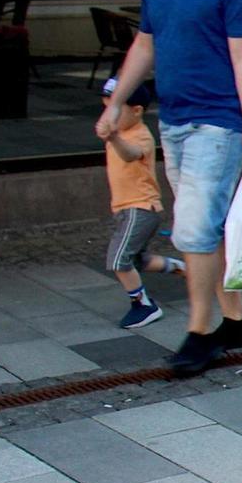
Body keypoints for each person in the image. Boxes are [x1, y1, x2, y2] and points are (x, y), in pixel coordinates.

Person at [96, 0, 242, 378]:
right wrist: (117, 102)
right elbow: (144, 46)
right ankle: (236, 321)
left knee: (192, 229)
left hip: (218, 124)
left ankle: (201, 333)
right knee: (206, 228)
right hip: (173, 122)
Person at [97, 76, 185, 329]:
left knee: (118, 260)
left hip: (141, 208)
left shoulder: (139, 135)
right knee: (138, 260)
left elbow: (130, 154)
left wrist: (113, 137)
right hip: (129, 208)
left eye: (115, 109)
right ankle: (183, 269)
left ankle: (144, 305)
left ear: (137, 111)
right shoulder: (122, 130)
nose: (108, 115)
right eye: (106, 108)